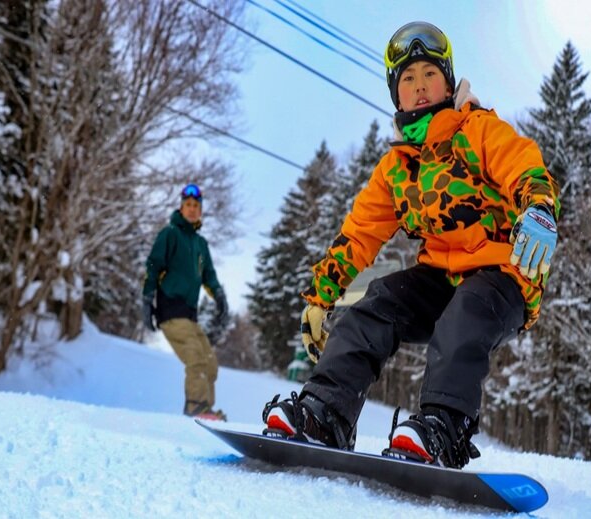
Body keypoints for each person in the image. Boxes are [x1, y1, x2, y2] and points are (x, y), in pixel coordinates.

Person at [262, 21, 560, 469]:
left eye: (429, 75)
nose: (420, 88)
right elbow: (360, 232)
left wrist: (538, 206)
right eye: (408, 79)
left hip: (504, 273)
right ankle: (325, 412)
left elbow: (522, 163)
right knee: (378, 302)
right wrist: (321, 294)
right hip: (440, 276)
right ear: (395, 94)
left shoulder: (477, 130)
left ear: (448, 81)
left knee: (467, 314)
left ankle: (443, 426)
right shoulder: (396, 168)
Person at [142, 183, 229, 420]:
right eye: (188, 205)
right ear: (181, 208)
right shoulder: (170, 234)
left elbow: (208, 275)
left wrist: (219, 296)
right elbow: (153, 265)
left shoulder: (200, 244)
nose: (192, 210)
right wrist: (147, 299)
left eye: (196, 206)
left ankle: (206, 410)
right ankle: (195, 407)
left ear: (200, 211)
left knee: (210, 364)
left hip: (190, 315)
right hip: (171, 310)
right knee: (196, 360)